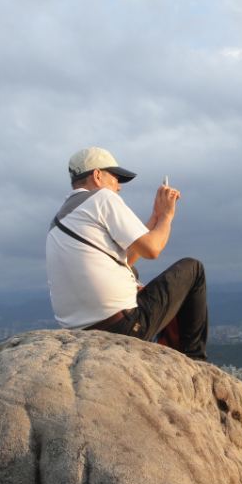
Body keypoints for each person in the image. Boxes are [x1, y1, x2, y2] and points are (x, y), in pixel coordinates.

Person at [45, 147, 208, 360]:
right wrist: (167, 215)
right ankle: (194, 360)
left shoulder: (61, 219)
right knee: (193, 269)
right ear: (97, 175)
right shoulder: (102, 198)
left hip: (81, 333)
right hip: (122, 326)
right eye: (115, 178)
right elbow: (152, 249)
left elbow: (128, 257)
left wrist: (155, 217)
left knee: (133, 270)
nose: (119, 187)